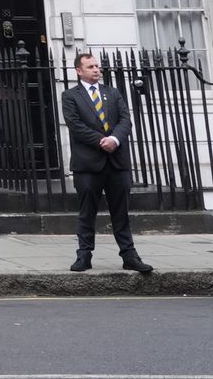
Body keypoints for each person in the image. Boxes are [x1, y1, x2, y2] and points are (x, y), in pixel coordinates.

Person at [62, 51, 154, 274]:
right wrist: (100, 141)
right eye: (91, 67)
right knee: (87, 212)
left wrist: (114, 139)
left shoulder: (112, 93)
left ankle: (129, 255)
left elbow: (125, 120)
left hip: (116, 162)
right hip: (88, 164)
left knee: (121, 212)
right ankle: (84, 256)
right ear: (79, 70)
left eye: (97, 66)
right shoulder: (70, 96)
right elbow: (74, 124)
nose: (96, 70)